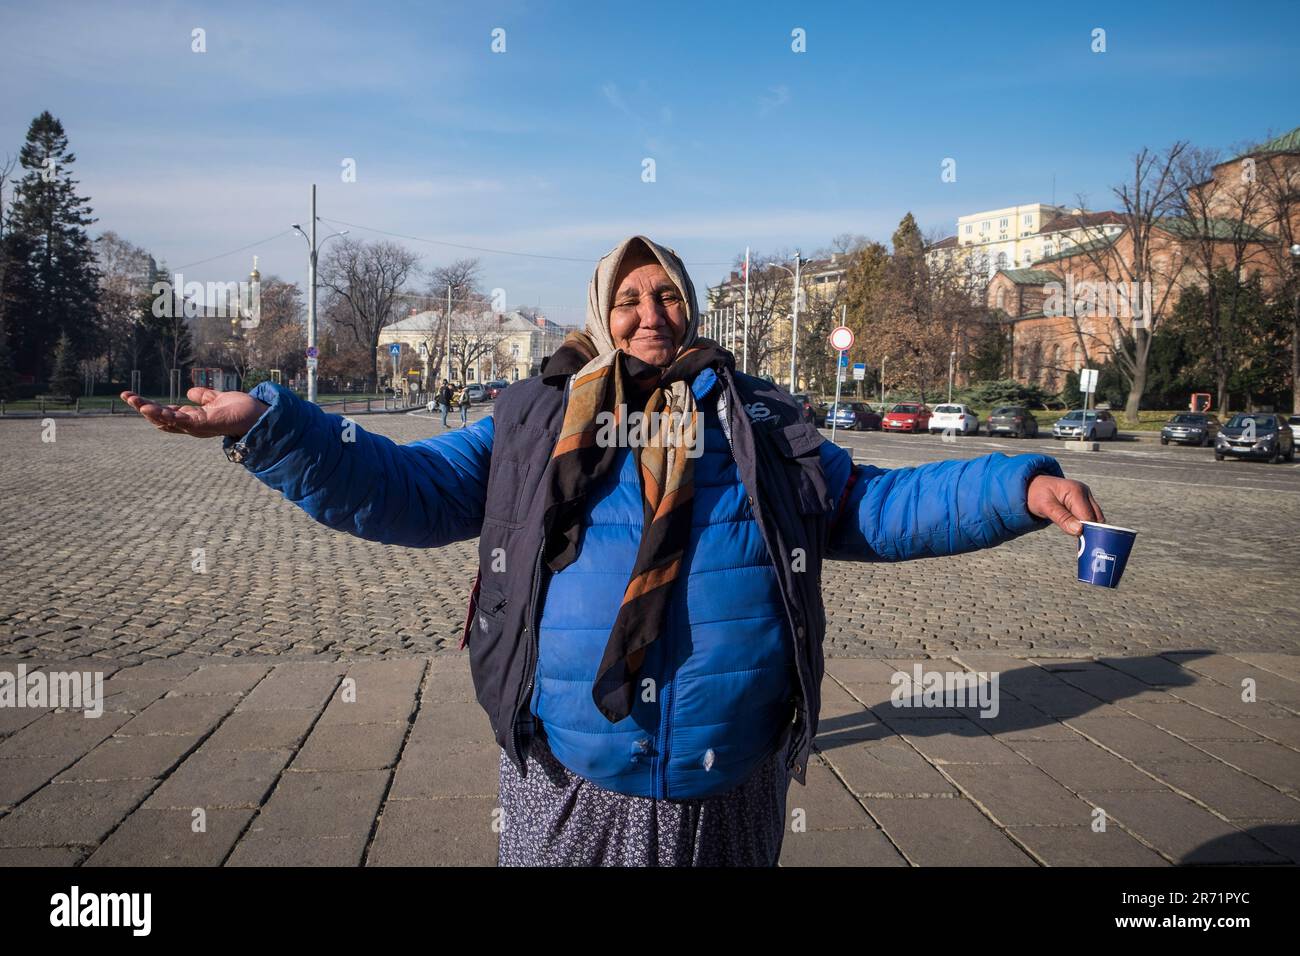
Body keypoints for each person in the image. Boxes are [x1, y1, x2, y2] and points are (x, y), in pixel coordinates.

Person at [120, 234, 1105, 867]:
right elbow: (405, 490)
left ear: (691, 308)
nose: (650, 312)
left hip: (729, 781)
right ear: (600, 313)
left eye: (667, 293)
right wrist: (274, 423)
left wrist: (1016, 485)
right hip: (574, 777)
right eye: (629, 296)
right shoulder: (535, 419)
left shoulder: (756, 420)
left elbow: (872, 505)